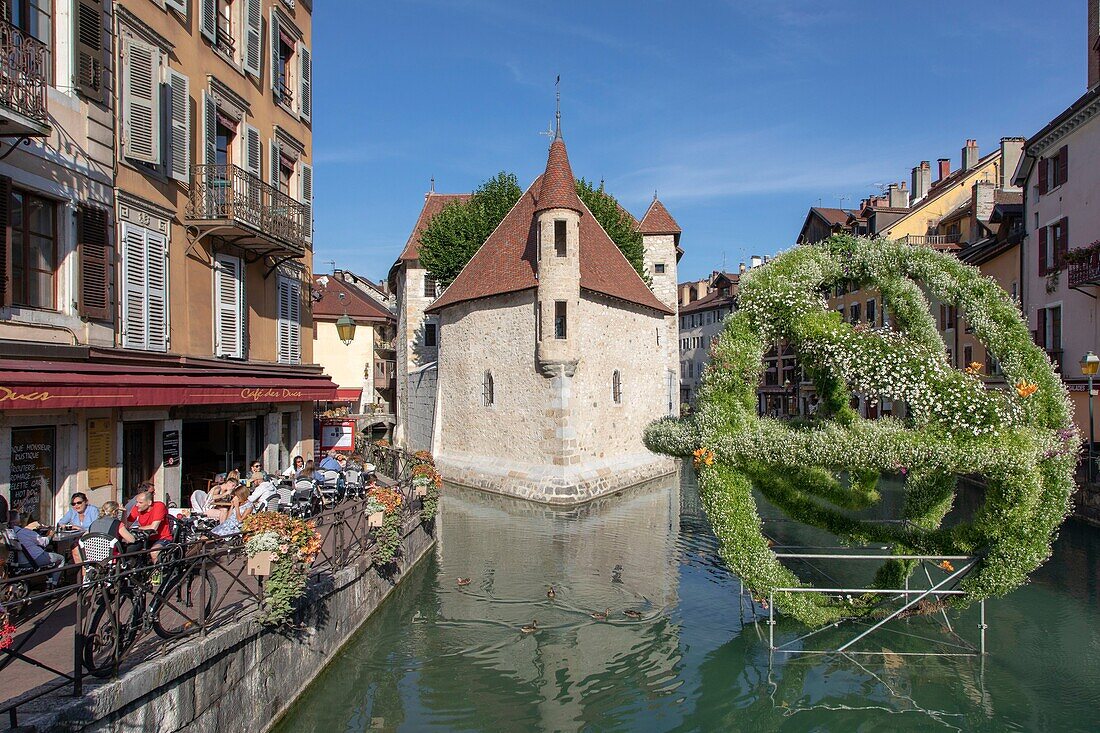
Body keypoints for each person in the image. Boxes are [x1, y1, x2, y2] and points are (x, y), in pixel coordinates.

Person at [9, 518, 64, 587]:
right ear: (17, 522)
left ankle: (49, 579)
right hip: (33, 560)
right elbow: (44, 542)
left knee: (49, 555)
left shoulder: (7, 534)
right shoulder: (25, 532)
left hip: (16, 563)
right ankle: (53, 584)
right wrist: (50, 534)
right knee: (61, 559)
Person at [125, 491, 173, 562]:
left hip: (162, 538)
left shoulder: (159, 506)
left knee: (154, 552)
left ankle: (157, 572)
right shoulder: (137, 508)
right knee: (128, 550)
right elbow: (126, 525)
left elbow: (153, 527)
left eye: (140, 502)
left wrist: (137, 528)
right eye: (137, 502)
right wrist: (123, 512)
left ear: (149, 503)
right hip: (145, 537)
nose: (137, 505)